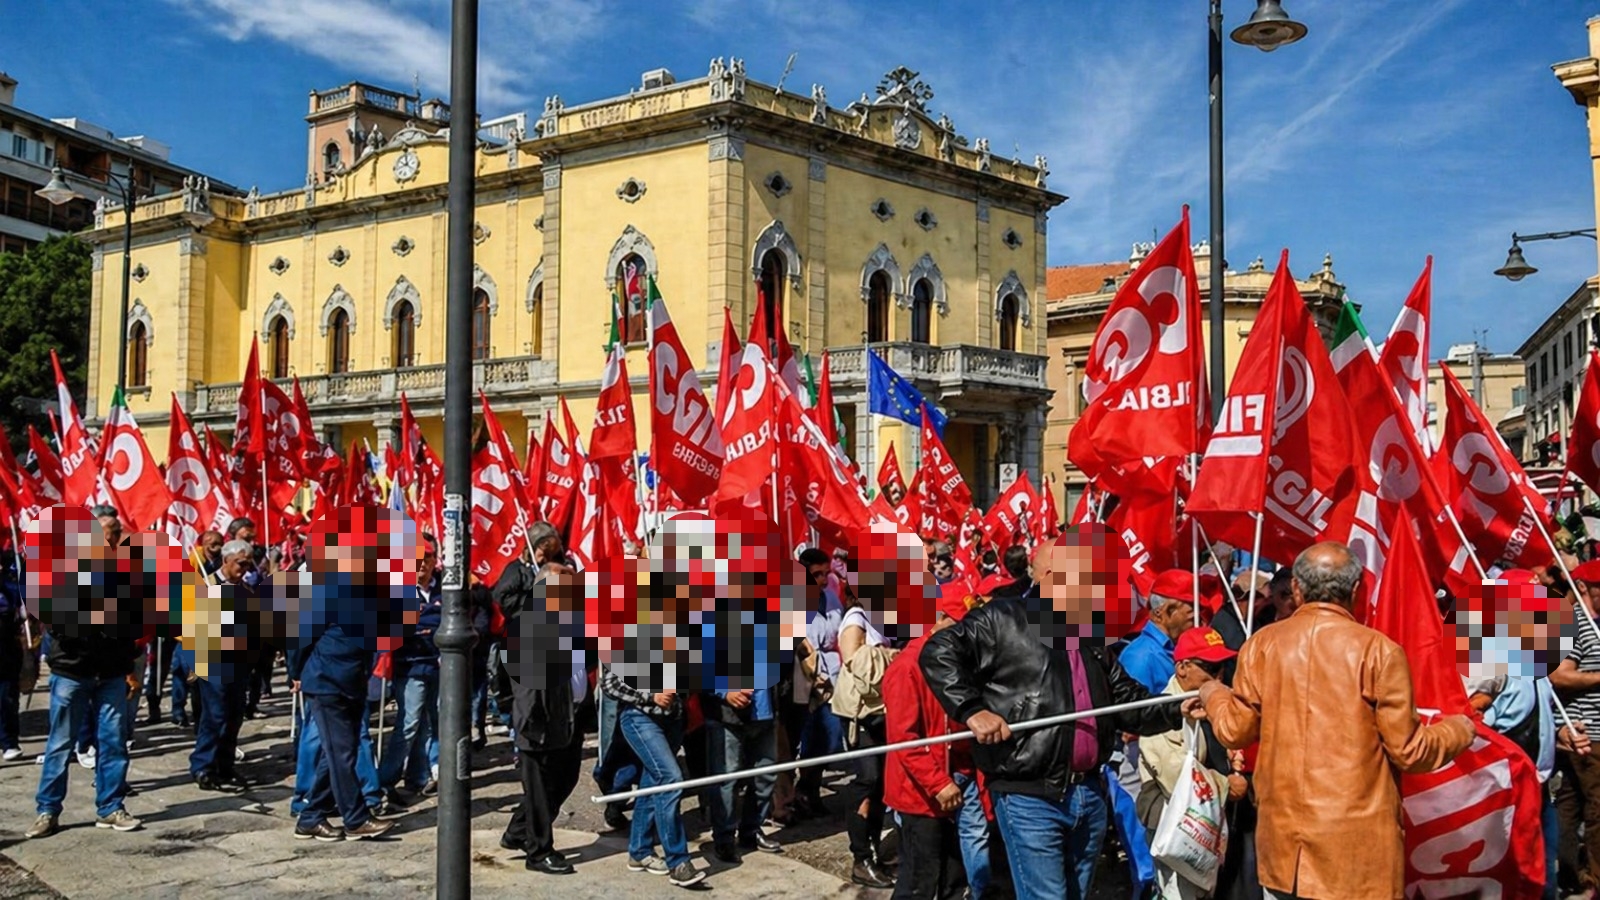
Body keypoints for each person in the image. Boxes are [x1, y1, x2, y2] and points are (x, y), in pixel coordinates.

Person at [1193, 542, 1476, 900]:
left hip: (1285, 850)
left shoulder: (1262, 646)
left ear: (1296, 588)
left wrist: (1212, 694)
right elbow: (1411, 751)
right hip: (1356, 853)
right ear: (1357, 591)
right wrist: (1458, 729)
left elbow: (1235, 729)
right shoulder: (1379, 651)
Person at [919, 534, 1184, 900]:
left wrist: (1179, 708)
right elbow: (939, 650)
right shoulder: (1003, 618)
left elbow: (1125, 700)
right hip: (1030, 795)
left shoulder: (1090, 632)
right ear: (1046, 579)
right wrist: (971, 710)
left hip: (1088, 793)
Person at [285, 518, 400, 842]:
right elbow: (299, 636)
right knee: (343, 751)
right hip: (326, 681)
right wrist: (296, 674)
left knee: (335, 753)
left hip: (352, 680)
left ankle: (311, 817)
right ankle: (356, 818)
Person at [28, 532, 143, 838]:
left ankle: (110, 807)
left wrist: (128, 665)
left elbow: (133, 628)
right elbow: (60, 626)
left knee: (114, 741)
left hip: (111, 675)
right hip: (72, 673)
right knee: (60, 743)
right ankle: (47, 810)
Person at [1136, 626, 1243, 898]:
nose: (1218, 675)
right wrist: (1226, 785)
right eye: (1210, 666)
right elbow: (1175, 775)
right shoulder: (1162, 710)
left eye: (1223, 666)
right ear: (1182, 667)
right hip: (1177, 823)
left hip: (1207, 824)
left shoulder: (1211, 701)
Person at [499, 555, 586, 876]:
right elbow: (525, 687)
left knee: (564, 781)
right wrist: (530, 725)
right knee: (539, 790)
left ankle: (517, 831)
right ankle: (538, 851)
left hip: (568, 716)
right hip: (539, 723)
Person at [883, 590, 973, 900]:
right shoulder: (907, 668)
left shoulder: (955, 660)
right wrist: (938, 783)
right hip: (920, 794)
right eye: (959, 625)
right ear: (940, 621)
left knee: (953, 878)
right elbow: (904, 739)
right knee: (919, 880)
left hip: (953, 784)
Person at [601, 662, 705, 887]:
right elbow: (610, 683)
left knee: (654, 781)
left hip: (673, 719)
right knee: (670, 779)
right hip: (640, 717)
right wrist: (650, 695)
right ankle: (678, 862)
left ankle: (639, 851)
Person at [703, 573, 783, 863]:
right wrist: (724, 692)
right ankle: (724, 837)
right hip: (727, 714)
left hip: (763, 712)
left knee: (765, 773)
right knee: (726, 778)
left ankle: (752, 829)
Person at [832, 558, 898, 890]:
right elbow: (856, 660)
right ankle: (860, 857)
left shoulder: (884, 618)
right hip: (860, 714)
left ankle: (871, 849)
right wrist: (895, 658)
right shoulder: (855, 617)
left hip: (883, 711)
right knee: (867, 779)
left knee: (882, 783)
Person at [1550, 558, 1600, 894]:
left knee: (1568, 806)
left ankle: (1567, 876)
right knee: (1598, 808)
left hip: (1585, 734)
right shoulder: (1573, 624)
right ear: (1583, 587)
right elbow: (1559, 675)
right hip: (1587, 734)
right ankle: (1595, 880)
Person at [189, 540, 255, 792]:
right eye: (240, 562)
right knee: (215, 715)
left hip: (239, 662)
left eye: (248, 563)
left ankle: (225, 766)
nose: (244, 568)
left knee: (234, 715)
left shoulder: (247, 590)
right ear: (226, 560)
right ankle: (203, 765)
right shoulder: (206, 586)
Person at [380, 537, 441, 803]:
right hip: (410, 665)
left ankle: (417, 777)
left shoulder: (443, 589)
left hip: (438, 665)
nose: (420, 566)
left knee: (429, 723)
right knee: (408, 724)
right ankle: (385, 781)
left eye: (425, 559)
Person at [795, 547, 844, 819]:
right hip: (803, 677)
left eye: (826, 573)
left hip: (830, 678)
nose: (823, 579)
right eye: (817, 574)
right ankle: (800, 794)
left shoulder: (831, 598)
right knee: (805, 737)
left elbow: (836, 635)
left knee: (830, 735)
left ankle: (809, 785)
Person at [1118, 569, 1198, 695]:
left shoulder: (1177, 647)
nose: (1196, 615)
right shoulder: (1140, 658)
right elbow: (1137, 710)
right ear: (1159, 614)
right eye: (1191, 609)